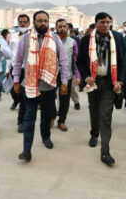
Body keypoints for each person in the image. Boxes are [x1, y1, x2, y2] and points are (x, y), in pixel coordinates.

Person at [13, 10, 68, 162]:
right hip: (29, 86)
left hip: (48, 86)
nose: (42, 23)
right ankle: (26, 150)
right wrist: (16, 81)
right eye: (39, 20)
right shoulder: (24, 39)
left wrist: (64, 83)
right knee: (29, 117)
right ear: (34, 22)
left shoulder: (55, 39)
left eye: (45, 20)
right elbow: (17, 62)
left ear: (48, 22)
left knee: (46, 116)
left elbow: (63, 62)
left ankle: (46, 137)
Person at [77, 12, 124, 166]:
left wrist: (120, 82)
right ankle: (93, 133)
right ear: (95, 23)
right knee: (94, 110)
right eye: (102, 22)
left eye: (108, 22)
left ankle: (105, 152)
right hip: (93, 83)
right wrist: (86, 77)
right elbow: (80, 62)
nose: (106, 25)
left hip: (109, 84)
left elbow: (122, 62)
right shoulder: (86, 40)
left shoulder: (116, 38)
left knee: (105, 116)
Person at [51, 19, 81, 131]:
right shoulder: (51, 40)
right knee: (50, 98)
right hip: (52, 75)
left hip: (66, 75)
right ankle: (53, 115)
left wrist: (78, 76)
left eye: (64, 26)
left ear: (67, 28)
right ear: (56, 28)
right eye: (60, 26)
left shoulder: (72, 42)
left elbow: (75, 60)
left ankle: (62, 120)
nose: (62, 28)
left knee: (64, 100)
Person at [5, 14, 30, 133]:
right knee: (18, 94)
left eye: (25, 22)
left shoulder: (32, 37)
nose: (23, 24)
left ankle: (21, 122)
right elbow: (10, 55)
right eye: (21, 22)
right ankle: (21, 120)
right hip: (16, 69)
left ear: (29, 24)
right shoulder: (13, 37)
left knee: (25, 99)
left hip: (28, 71)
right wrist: (7, 69)